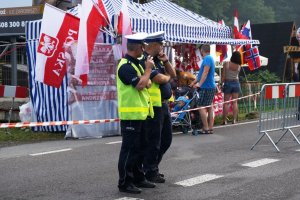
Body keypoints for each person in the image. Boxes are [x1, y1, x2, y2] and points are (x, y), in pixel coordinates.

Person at [116, 32, 156, 194]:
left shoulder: (137, 65)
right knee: (129, 150)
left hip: (141, 114)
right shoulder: (125, 66)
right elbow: (141, 85)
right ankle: (125, 182)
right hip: (131, 116)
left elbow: (148, 83)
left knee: (141, 148)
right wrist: (147, 70)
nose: (145, 49)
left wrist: (145, 74)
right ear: (138, 47)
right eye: (143, 46)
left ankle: (139, 177)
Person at [141, 31, 176, 183]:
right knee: (154, 141)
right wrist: (167, 78)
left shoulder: (159, 60)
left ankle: (152, 167)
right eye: (161, 44)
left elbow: (173, 74)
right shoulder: (146, 59)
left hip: (164, 105)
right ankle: (149, 170)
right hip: (153, 107)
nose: (162, 47)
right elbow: (160, 79)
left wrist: (166, 61)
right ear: (154, 44)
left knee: (166, 140)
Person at [189, 44, 216, 134]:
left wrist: (199, 84)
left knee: (201, 106)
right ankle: (210, 127)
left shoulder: (207, 59)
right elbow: (200, 74)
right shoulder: (209, 58)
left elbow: (205, 72)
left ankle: (206, 127)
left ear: (202, 50)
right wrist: (194, 82)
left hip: (206, 86)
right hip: (210, 85)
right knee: (209, 106)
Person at [221, 51, 242, 125]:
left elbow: (223, 76)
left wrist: (221, 83)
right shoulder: (239, 66)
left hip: (228, 83)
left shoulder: (226, 64)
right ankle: (234, 120)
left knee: (226, 102)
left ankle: (224, 120)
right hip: (236, 83)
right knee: (235, 102)